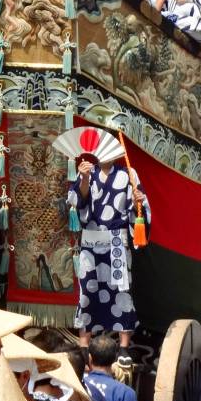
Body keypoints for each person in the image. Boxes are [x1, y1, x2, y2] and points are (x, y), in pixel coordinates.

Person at [64, 131, 150, 349]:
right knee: (88, 291)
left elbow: (137, 207)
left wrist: (140, 200)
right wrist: (83, 178)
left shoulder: (129, 173)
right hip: (91, 242)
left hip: (116, 242)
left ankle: (123, 346)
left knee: (121, 290)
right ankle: (84, 343)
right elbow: (77, 201)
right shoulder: (88, 173)